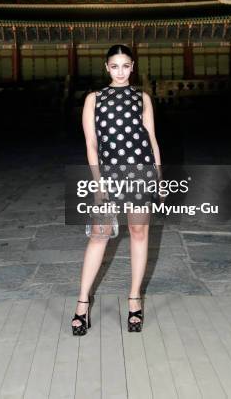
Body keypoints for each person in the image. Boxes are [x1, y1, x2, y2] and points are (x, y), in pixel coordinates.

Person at [71, 44, 162, 335]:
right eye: (115, 66)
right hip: (108, 175)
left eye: (125, 66)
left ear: (132, 66)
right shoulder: (94, 99)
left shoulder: (142, 97)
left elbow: (152, 140)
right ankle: (82, 303)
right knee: (99, 235)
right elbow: (91, 144)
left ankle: (134, 299)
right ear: (106, 67)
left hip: (140, 172)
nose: (120, 71)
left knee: (139, 232)